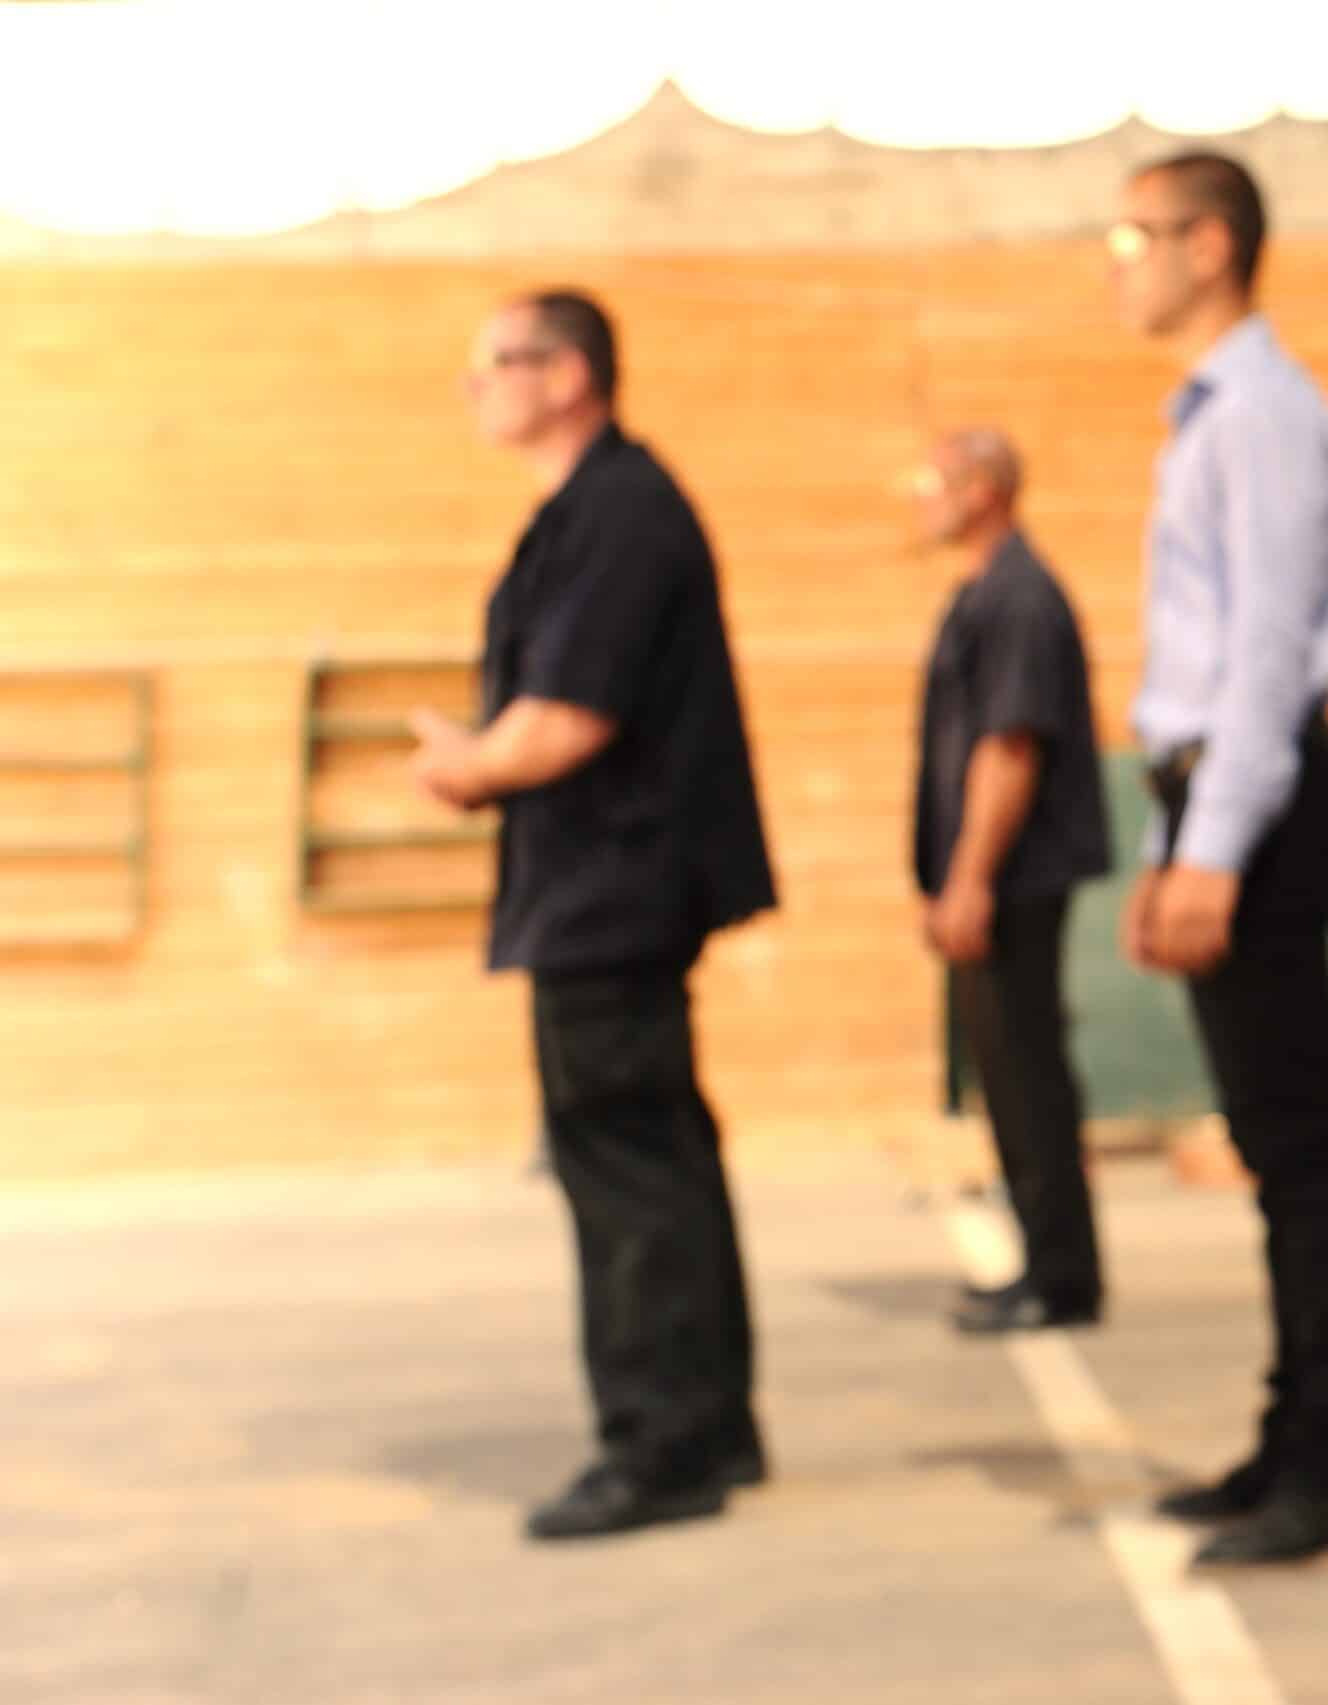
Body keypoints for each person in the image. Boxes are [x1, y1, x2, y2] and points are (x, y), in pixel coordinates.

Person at [412, 288, 777, 1542]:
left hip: (612, 893)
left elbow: (568, 716)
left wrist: (467, 764)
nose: (478, 391)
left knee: (623, 1169)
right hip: (604, 887)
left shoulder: (618, 512)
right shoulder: (593, 511)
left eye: (494, 366)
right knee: (656, 1159)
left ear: (567, 373)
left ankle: (661, 1442)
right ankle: (709, 1424)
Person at [1107, 151, 1328, 1570]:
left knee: (1299, 1154)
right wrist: (1167, 849)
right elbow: (1196, 669)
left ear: (1211, 245)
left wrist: (1211, 850)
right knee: (1277, 1155)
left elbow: (1266, 662)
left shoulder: (1266, 416)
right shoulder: (1213, 414)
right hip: (1218, 798)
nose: (1120, 261)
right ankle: (1297, 1438)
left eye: (1136, 233)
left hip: (1263, 802)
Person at [909, 427, 1113, 1334]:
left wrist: (970, 879)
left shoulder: (1019, 597)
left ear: (983, 488)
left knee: (1027, 1074)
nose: (922, 497)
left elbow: (1011, 747)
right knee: (1012, 1073)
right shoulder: (985, 593)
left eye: (935, 480)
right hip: (996, 879)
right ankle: (1048, 1261)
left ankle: (1060, 1275)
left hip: (1016, 879)